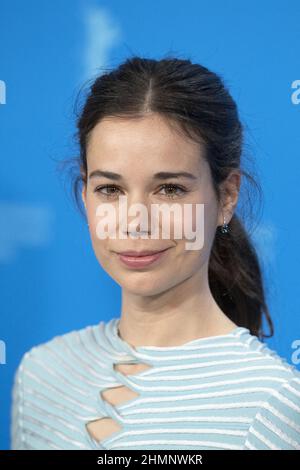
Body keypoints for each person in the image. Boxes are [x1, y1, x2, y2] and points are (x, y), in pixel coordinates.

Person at [11, 56, 300, 450]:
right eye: (110, 189)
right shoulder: (40, 374)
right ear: (84, 192)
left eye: (170, 189)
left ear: (227, 196)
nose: (136, 221)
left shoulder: (273, 403)